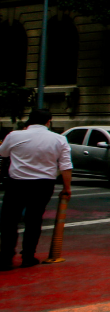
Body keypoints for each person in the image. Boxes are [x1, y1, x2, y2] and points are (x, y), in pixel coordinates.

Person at [0, 109, 72, 270]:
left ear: (29, 120)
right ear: (48, 121)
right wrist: (67, 188)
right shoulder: (59, 139)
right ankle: (28, 256)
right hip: (43, 184)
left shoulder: (14, 135)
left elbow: (3, 153)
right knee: (34, 219)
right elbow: (66, 165)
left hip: (17, 183)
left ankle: (6, 257)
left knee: (9, 220)